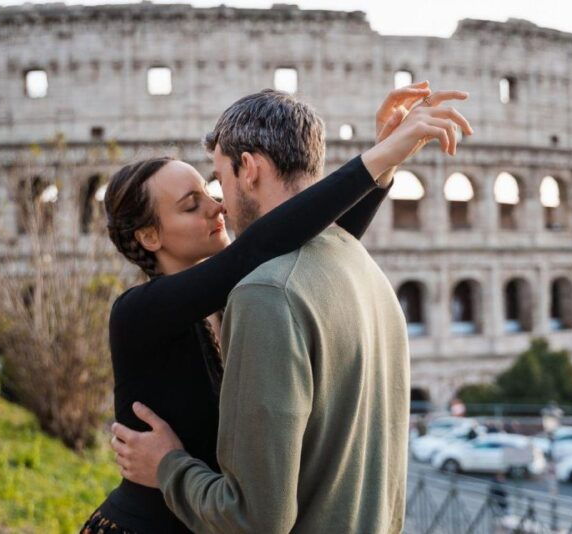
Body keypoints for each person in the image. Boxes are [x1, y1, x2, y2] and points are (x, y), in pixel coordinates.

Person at [82, 85, 473, 534]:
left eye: (211, 189)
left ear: (247, 170)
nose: (218, 207)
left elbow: (311, 248)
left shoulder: (236, 300)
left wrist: (384, 170)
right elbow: (258, 249)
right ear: (150, 237)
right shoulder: (139, 313)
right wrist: (378, 159)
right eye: (193, 206)